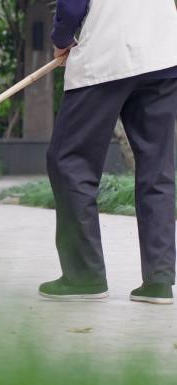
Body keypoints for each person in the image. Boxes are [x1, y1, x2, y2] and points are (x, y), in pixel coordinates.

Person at [38, 0, 177, 304]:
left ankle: (84, 276)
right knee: (158, 167)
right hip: (164, 50)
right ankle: (159, 281)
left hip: (108, 51)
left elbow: (73, 6)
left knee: (69, 160)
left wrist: (62, 38)